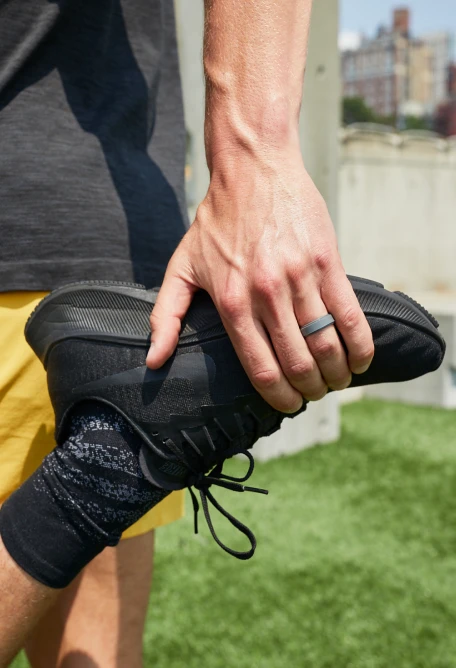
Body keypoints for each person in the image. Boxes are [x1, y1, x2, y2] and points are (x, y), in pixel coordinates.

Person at [0, 0, 374, 666]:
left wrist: (254, 159)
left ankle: (106, 461)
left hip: (96, 277)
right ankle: (105, 464)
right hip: (119, 281)